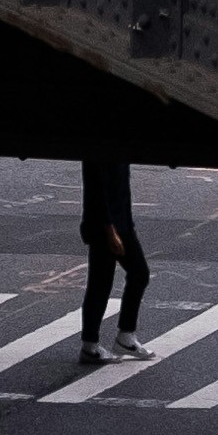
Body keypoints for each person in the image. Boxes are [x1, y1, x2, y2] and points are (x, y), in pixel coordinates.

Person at [78, 150, 151, 366]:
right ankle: (94, 345)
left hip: (120, 224)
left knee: (124, 278)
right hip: (106, 227)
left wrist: (127, 224)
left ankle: (116, 338)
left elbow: (120, 190)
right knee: (106, 283)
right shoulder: (99, 150)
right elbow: (97, 192)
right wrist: (110, 231)